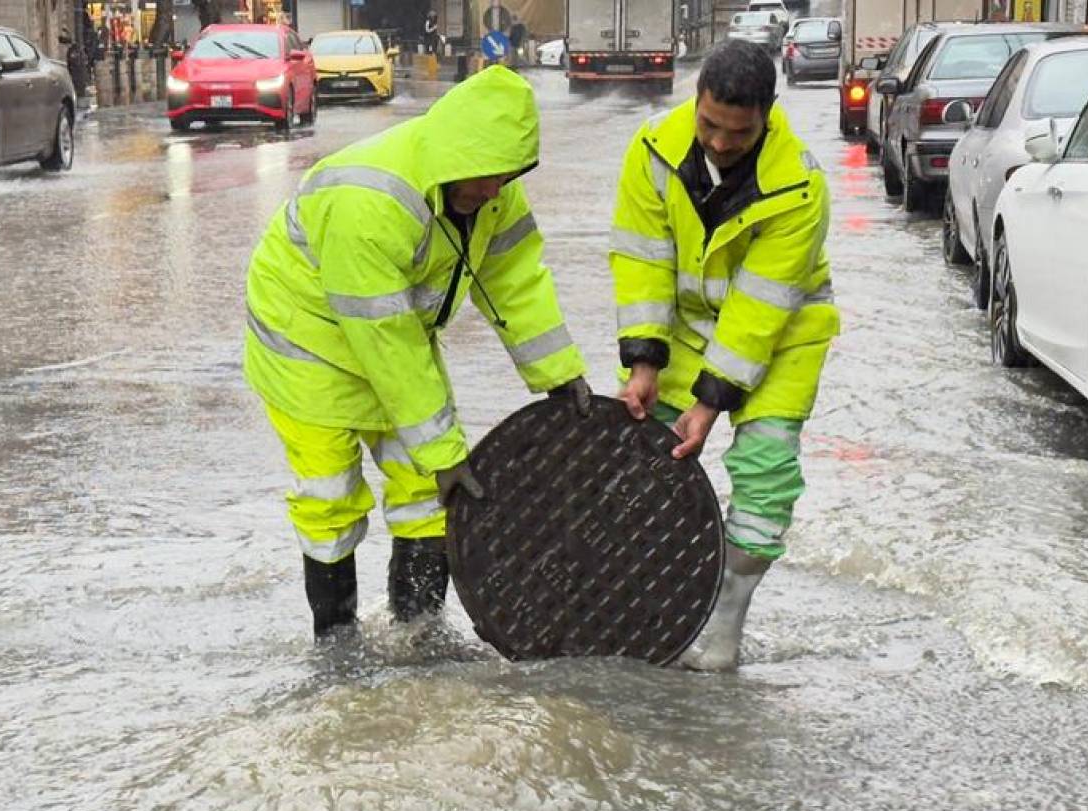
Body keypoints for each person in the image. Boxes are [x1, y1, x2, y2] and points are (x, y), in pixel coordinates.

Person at [244, 66, 591, 641]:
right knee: (330, 495)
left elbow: (515, 279)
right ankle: (337, 642)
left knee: (431, 494)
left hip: (392, 335)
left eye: (505, 177)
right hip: (307, 345)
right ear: (452, 156)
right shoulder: (369, 200)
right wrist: (444, 450)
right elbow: (387, 343)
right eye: (483, 179)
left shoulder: (492, 183)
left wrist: (559, 373)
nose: (492, 192)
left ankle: (418, 636)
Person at [608, 40, 838, 671]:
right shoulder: (654, 149)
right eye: (708, 123)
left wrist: (710, 404)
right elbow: (642, 260)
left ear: (766, 115)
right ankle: (658, 611)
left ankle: (725, 624)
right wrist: (645, 364)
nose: (717, 142)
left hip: (782, 334)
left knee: (765, 476)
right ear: (697, 98)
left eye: (736, 133)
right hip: (683, 329)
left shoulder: (800, 185)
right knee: (645, 466)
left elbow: (761, 308)